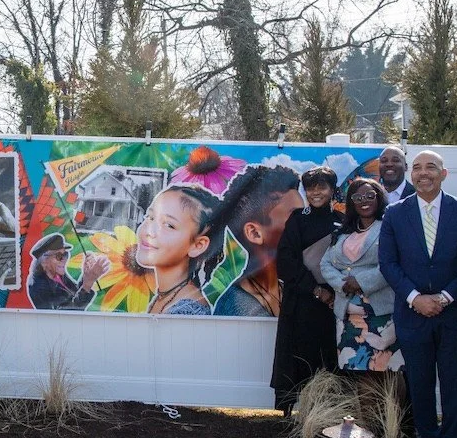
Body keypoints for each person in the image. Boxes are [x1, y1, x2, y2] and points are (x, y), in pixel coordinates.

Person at [379, 150, 457, 438]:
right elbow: (388, 263)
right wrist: (415, 298)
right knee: (419, 383)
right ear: (412, 174)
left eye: (431, 167)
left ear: (443, 174)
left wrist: (445, 297)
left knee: (452, 383)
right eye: (418, 168)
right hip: (413, 315)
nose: (424, 173)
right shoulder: (395, 213)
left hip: (454, 315)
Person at [271, 167, 343, 416]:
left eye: (322, 186)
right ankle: (289, 412)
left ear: (332, 189)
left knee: (327, 355)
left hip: (333, 304)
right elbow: (286, 261)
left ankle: (324, 414)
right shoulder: (297, 219)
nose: (315, 192)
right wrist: (315, 290)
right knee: (296, 355)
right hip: (300, 300)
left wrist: (333, 292)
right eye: (310, 187)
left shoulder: (343, 221)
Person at [321, 178, 401, 374]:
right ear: (351, 203)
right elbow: (325, 263)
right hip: (348, 318)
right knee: (353, 372)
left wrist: (360, 282)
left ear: (379, 198)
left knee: (384, 373)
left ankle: (387, 399)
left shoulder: (389, 227)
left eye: (369, 196)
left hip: (381, 317)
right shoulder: (342, 232)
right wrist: (342, 284)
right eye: (357, 197)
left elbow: (392, 263)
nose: (364, 200)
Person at [212, 165, 304, 317]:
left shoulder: (287, 290)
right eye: (295, 217)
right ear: (254, 233)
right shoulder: (236, 306)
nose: (305, 224)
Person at [136, 184, 225, 315]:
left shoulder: (187, 312)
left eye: (169, 225)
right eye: (150, 217)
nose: (149, 232)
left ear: (198, 245)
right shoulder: (166, 295)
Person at [27, 233, 112, 310]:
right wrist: (88, 283)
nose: (64, 260)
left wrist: (86, 274)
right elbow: (67, 312)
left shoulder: (58, 276)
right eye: (59, 256)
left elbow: (75, 293)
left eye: (65, 254)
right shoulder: (37, 287)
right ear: (43, 261)